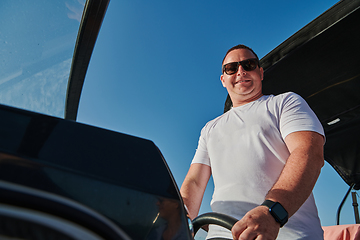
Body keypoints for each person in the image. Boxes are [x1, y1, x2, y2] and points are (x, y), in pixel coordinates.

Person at [180, 44, 325, 240]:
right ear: (223, 80)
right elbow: (195, 182)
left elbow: (308, 152)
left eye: (248, 64)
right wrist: (177, 221)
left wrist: (273, 212)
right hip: (220, 235)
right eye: (231, 68)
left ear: (261, 72)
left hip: (288, 234)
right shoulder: (209, 129)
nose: (240, 71)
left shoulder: (284, 103)